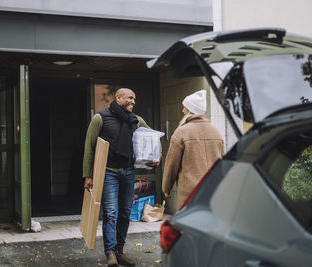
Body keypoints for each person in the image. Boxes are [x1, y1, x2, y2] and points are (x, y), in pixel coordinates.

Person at [82, 88, 159, 267]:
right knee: (110, 213)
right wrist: (88, 175)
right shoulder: (101, 118)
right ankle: (110, 253)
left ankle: (120, 251)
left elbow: (152, 137)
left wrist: (157, 155)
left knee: (125, 213)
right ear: (118, 98)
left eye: (134, 99)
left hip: (128, 171)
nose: (133, 102)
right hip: (108, 172)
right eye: (130, 98)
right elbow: (89, 146)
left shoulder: (136, 120)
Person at [162, 89, 224, 210]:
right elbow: (222, 163)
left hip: (190, 190)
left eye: (184, 108)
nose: (182, 110)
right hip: (213, 188)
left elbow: (172, 163)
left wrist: (166, 187)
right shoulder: (216, 132)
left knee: (189, 223)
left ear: (190, 110)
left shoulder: (182, 131)